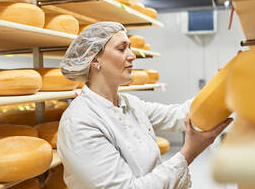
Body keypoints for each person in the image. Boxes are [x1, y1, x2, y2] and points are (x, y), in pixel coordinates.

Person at [58, 22, 233, 189]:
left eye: (130, 47)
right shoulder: (80, 122)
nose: (132, 55)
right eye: (121, 48)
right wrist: (188, 153)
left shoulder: (129, 104)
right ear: (94, 60)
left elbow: (180, 114)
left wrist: (225, 87)